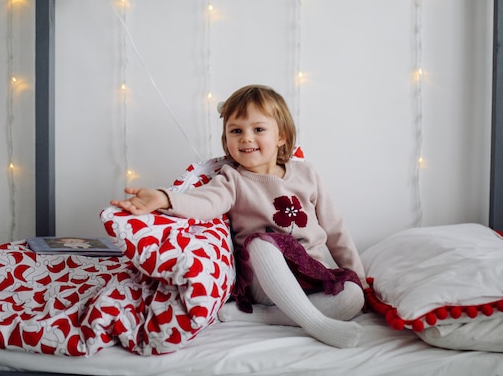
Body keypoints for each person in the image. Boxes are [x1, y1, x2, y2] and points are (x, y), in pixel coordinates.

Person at [110, 84, 366, 348]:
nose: (246, 138)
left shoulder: (306, 174)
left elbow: (335, 229)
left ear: (282, 136)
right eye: (236, 131)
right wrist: (164, 198)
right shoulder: (232, 179)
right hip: (264, 281)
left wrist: (359, 277)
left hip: (310, 274)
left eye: (258, 129)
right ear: (226, 139)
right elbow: (204, 203)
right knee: (261, 243)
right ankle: (317, 324)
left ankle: (266, 318)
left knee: (353, 297)